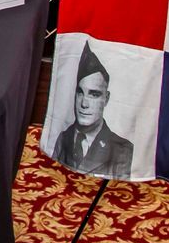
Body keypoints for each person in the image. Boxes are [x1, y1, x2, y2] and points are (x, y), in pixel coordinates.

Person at [52, 49, 134, 178]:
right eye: (80, 92)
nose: (84, 104)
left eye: (94, 94)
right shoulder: (63, 137)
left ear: (106, 99)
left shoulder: (121, 150)